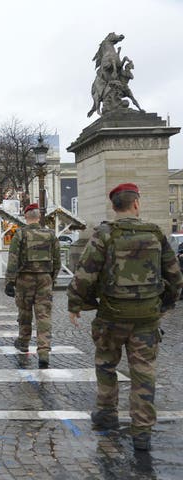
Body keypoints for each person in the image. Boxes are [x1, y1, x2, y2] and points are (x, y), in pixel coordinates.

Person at [67, 183, 182, 451]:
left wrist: (76, 304)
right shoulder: (156, 234)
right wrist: (165, 304)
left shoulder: (104, 235)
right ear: (137, 204)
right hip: (146, 317)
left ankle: (106, 414)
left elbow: (85, 274)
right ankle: (142, 430)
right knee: (143, 372)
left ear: (114, 206)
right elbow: (175, 277)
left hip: (111, 316)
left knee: (106, 365)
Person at [4, 203, 60, 369]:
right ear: (39, 217)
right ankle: (43, 351)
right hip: (44, 279)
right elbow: (57, 261)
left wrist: (9, 281)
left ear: (26, 216)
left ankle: (23, 342)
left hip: (24, 279)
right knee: (43, 315)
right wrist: (52, 279)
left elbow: (13, 259)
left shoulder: (20, 234)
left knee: (25, 312)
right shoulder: (50, 234)